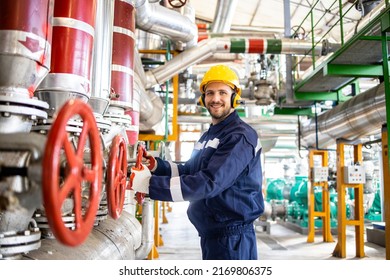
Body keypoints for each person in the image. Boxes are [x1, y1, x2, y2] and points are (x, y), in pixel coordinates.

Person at [130, 64, 264, 260]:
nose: (215, 99)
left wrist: (148, 185)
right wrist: (156, 167)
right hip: (213, 236)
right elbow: (190, 171)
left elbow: (209, 182)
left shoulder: (239, 137)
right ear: (203, 98)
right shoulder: (209, 136)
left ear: (234, 97)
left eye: (222, 93)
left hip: (233, 241)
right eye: (210, 93)